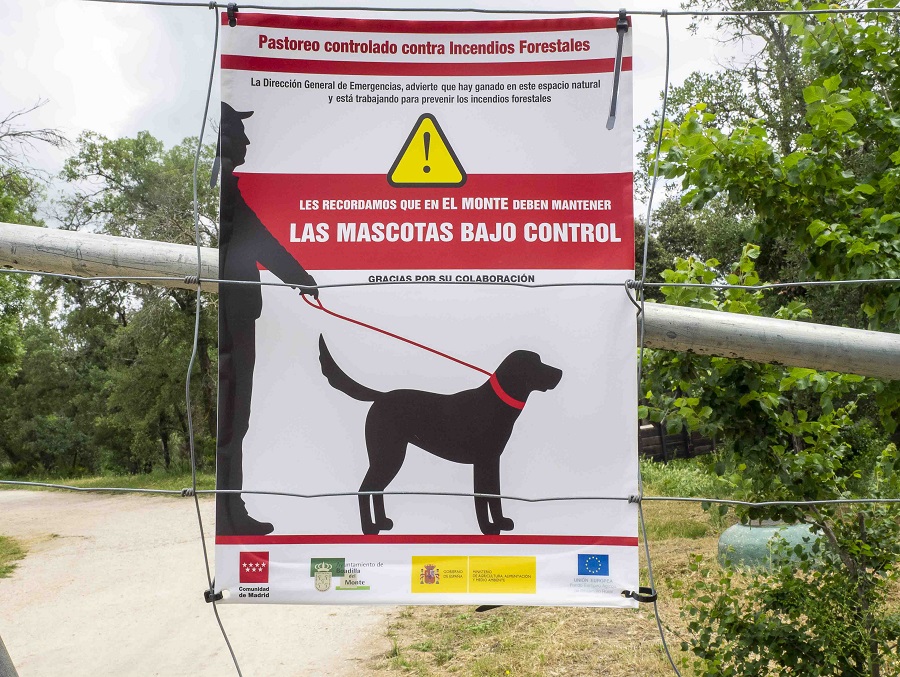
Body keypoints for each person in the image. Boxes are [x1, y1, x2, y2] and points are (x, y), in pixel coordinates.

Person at [216, 102, 318, 535]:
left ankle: (232, 510)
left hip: (237, 316)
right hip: (232, 319)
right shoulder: (223, 189)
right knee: (234, 415)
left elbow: (257, 238)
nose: (247, 141)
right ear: (223, 137)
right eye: (239, 132)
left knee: (237, 416)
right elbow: (259, 239)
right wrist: (301, 277)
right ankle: (230, 513)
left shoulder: (225, 188)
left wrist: (299, 277)